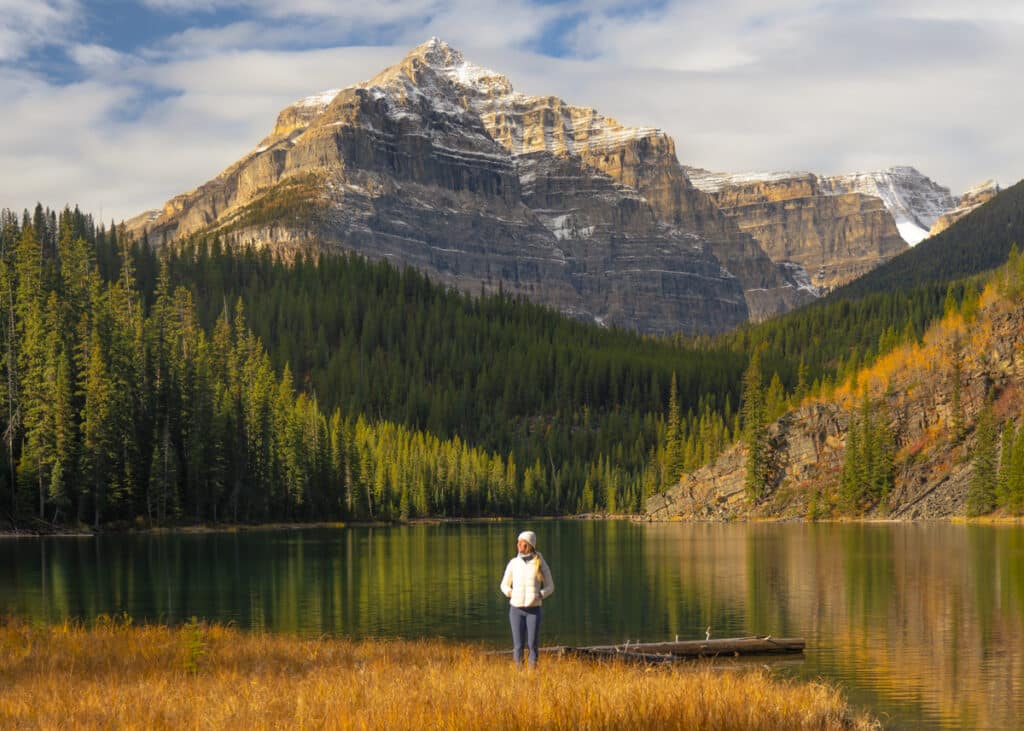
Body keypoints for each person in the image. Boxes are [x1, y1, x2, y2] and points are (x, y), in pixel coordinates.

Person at [500, 530, 554, 668]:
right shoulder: (513, 563)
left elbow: (550, 587)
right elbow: (503, 585)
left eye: (522, 543)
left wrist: (540, 595)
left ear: (529, 545)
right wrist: (510, 593)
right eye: (518, 542)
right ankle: (519, 674)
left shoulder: (540, 562)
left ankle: (532, 675)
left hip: (533, 611)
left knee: (532, 645)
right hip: (515, 610)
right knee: (518, 646)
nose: (518, 545)